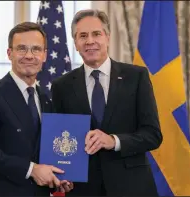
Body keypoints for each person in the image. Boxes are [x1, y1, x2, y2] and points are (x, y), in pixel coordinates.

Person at [51, 9, 163, 196]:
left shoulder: (136, 77)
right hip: (83, 189)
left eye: (96, 34)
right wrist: (63, 175)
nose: (90, 41)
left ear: (107, 38)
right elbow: (58, 139)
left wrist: (114, 141)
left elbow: (153, 135)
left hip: (132, 187)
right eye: (83, 36)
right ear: (76, 43)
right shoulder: (61, 86)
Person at [0, 22, 73, 196]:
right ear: (10, 53)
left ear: (44, 55)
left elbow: (45, 151)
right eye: (22, 49)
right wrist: (31, 170)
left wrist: (59, 176)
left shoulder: (46, 100)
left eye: (36, 49)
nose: (29, 55)